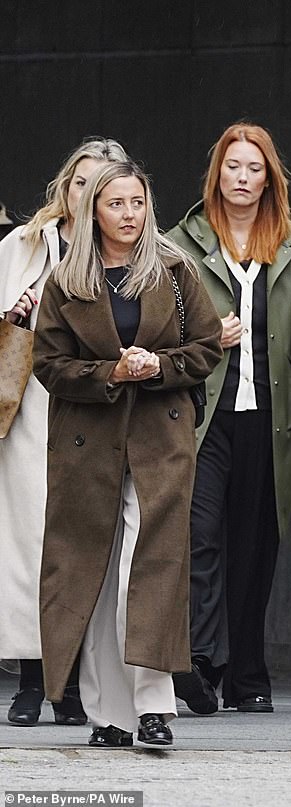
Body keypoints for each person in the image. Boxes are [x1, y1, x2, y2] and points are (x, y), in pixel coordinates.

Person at [32, 161, 223, 748]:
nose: (130, 215)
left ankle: (154, 708)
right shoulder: (67, 280)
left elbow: (208, 345)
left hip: (159, 439)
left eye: (138, 203)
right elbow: (48, 364)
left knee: (151, 568)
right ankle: (109, 715)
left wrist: (158, 367)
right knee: (93, 570)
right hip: (87, 441)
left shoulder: (173, 269)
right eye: (117, 204)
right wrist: (109, 371)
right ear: (93, 210)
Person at [168, 123, 291, 714]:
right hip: (203, 414)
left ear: (270, 178)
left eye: (254, 169)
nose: (242, 179)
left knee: (257, 544)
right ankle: (198, 661)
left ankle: (247, 672)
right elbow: (155, 323)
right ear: (216, 173)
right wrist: (204, 337)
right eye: (232, 167)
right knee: (201, 537)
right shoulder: (180, 243)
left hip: (271, 415)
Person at [0, 138, 128, 727]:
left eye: (101, 184)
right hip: (29, 412)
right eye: (80, 181)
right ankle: (31, 680)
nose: (88, 194)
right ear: (65, 187)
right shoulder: (20, 247)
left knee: (83, 542)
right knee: (30, 545)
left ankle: (74, 683)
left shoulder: (130, 255)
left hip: (95, 409)